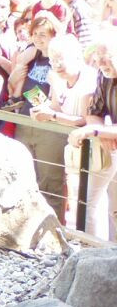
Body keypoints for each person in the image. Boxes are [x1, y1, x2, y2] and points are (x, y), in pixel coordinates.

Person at [29, 34, 101, 235]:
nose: (57, 64)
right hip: (72, 145)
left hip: (94, 146)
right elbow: (55, 106)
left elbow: (86, 119)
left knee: (90, 205)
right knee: (78, 200)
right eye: (52, 59)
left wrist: (52, 115)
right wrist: (41, 111)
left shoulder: (90, 78)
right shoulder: (55, 78)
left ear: (76, 57)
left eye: (61, 58)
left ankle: (95, 247)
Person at [8, 14, 66, 219]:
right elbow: (17, 83)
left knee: (50, 182)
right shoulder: (31, 56)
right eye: (35, 34)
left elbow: (60, 94)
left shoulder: (59, 57)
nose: (38, 38)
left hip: (49, 126)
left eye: (44, 34)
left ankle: (54, 229)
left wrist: (40, 102)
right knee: (25, 178)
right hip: (26, 120)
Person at [68, 30, 117, 240]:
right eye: (98, 58)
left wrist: (96, 131)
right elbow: (95, 110)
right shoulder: (103, 74)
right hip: (112, 147)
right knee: (103, 207)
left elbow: (94, 125)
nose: (102, 63)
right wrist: (103, 132)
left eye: (107, 58)